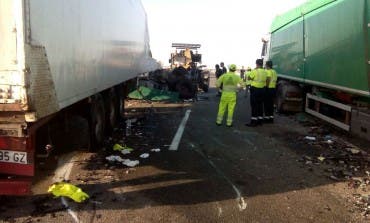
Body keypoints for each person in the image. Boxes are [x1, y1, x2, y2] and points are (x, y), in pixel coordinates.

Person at [245, 59, 267, 127]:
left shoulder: (255, 71)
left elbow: (249, 78)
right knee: (260, 105)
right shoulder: (265, 71)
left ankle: (253, 122)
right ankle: (260, 121)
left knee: (254, 106)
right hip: (262, 89)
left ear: (256, 64)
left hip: (255, 90)